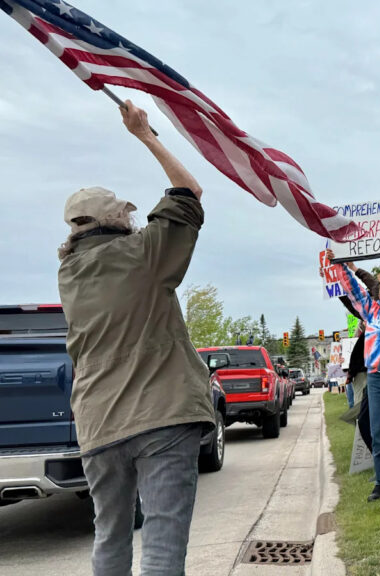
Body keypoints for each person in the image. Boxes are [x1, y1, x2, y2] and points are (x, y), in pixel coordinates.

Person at [57, 100, 215, 575]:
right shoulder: (143, 253)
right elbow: (190, 192)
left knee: (110, 538)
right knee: (163, 546)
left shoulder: (68, 273)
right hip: (162, 417)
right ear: (117, 220)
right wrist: (145, 134)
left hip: (98, 425)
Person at [332, 251, 380, 502]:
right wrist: (341, 266)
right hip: (375, 377)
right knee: (379, 431)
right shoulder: (371, 311)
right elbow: (354, 290)